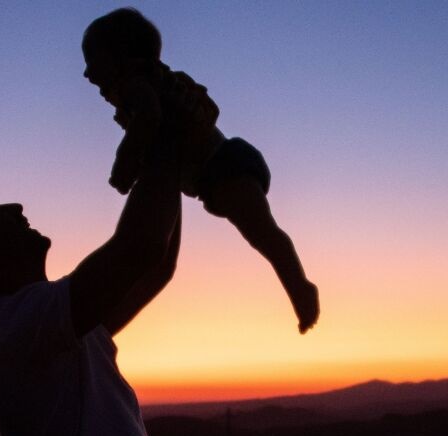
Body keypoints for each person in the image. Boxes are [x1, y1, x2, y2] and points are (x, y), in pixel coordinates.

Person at [0, 82, 212, 436]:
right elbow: (140, 248)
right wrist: (168, 133)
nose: (14, 207)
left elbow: (153, 265)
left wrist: (163, 160)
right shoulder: (15, 330)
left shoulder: (52, 326)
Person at [82, 8, 320, 333]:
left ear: (122, 55)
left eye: (92, 59)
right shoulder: (144, 84)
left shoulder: (138, 86)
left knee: (263, 235)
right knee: (164, 262)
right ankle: (101, 329)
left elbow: (148, 120)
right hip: (200, 174)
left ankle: (300, 287)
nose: (86, 73)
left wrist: (124, 164)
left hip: (224, 166)